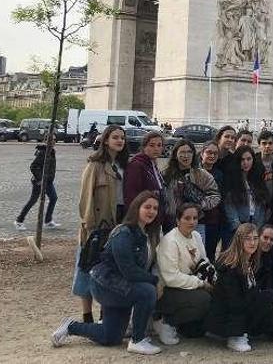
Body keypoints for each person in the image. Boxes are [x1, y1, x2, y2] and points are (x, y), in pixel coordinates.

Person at [52, 191, 163, 355]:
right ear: (136, 208)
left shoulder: (145, 234)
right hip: (106, 285)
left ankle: (71, 326)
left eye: (155, 208)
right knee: (147, 291)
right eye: (147, 207)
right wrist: (155, 280)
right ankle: (138, 340)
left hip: (122, 287)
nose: (152, 211)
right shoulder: (123, 233)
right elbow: (130, 271)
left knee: (110, 337)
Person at [72, 124, 128, 324]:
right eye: (115, 137)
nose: (120, 141)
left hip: (118, 221)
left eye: (122, 137)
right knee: (87, 267)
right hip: (96, 224)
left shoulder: (122, 165)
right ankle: (87, 315)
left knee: (110, 270)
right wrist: (89, 226)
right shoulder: (94, 165)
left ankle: (105, 312)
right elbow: (86, 198)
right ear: (105, 140)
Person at [205, 223, 273, 352]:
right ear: (239, 240)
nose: (253, 242)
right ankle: (235, 336)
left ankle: (249, 331)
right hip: (226, 317)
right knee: (266, 297)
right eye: (248, 238)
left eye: (255, 238)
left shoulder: (250, 260)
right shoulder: (229, 265)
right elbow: (233, 302)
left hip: (244, 308)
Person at [155, 203, 215, 341]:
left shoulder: (196, 236)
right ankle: (165, 321)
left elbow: (204, 260)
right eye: (187, 218)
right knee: (204, 300)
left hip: (190, 285)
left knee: (196, 331)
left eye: (195, 218)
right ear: (177, 220)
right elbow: (171, 278)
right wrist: (202, 284)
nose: (192, 222)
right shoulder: (170, 241)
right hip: (169, 290)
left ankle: (184, 324)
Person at [161, 139, 221, 234]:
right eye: (182, 152)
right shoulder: (166, 175)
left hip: (196, 224)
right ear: (175, 155)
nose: (186, 155)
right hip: (172, 223)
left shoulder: (202, 174)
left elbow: (215, 196)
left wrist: (201, 205)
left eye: (189, 152)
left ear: (193, 154)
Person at [15, 132, 59, 230]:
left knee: (53, 198)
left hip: (48, 181)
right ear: (46, 141)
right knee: (33, 200)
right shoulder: (43, 152)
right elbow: (33, 166)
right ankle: (19, 220)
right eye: (51, 140)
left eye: (55, 140)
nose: (53, 142)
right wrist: (40, 179)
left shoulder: (52, 151)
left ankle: (48, 220)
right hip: (39, 181)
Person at [224, 145, 270, 232]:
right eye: (242, 160)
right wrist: (238, 227)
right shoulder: (232, 179)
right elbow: (229, 205)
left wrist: (258, 227)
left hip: (255, 223)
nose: (246, 163)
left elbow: (262, 205)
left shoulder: (257, 179)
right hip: (238, 225)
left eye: (249, 159)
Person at [123, 131, 165, 222]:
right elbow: (131, 195)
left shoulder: (153, 164)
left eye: (159, 145)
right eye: (152, 145)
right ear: (144, 147)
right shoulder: (136, 165)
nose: (156, 149)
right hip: (141, 218)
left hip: (153, 216)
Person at [199, 141, 225, 260]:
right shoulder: (193, 171)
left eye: (215, 153)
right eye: (209, 152)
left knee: (210, 254)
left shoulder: (219, 174)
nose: (212, 156)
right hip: (196, 220)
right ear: (202, 153)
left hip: (213, 221)